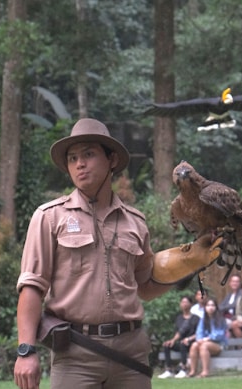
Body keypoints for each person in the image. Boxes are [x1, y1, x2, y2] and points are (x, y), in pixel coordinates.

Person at [13, 119, 220, 389]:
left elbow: (145, 286)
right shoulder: (49, 217)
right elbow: (32, 286)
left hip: (129, 352)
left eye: (88, 154)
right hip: (75, 353)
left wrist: (190, 261)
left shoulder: (135, 221)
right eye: (73, 158)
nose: (79, 164)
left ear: (111, 159)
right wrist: (25, 351)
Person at [157, 295, 201, 379]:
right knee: (167, 345)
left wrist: (188, 339)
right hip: (181, 343)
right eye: (182, 302)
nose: (184, 304)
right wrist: (172, 340)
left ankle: (183, 369)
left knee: (183, 344)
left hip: (192, 343)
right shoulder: (179, 318)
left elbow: (199, 333)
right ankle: (168, 370)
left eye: (186, 302)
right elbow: (179, 332)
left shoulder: (196, 318)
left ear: (191, 304)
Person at [188, 298, 228, 378]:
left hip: (219, 344)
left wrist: (207, 339)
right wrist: (200, 340)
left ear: (216, 307)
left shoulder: (220, 319)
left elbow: (219, 334)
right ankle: (192, 371)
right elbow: (199, 332)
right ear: (205, 307)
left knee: (204, 346)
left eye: (213, 305)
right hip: (205, 342)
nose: (210, 307)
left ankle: (205, 371)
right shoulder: (203, 319)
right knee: (194, 345)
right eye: (208, 305)